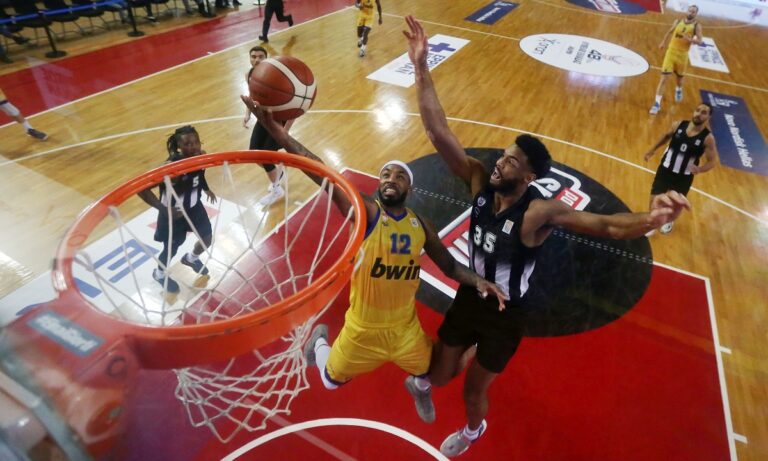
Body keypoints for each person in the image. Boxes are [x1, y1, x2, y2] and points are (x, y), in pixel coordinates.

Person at [403, 15, 692, 457]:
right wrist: (422, 67)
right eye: (504, 155)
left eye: (512, 161)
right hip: (471, 294)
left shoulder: (539, 212)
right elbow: (436, 130)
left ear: (530, 176)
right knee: (439, 375)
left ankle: (473, 432)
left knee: (473, 391)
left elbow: (609, 226)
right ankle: (433, 377)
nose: (500, 162)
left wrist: (652, 219)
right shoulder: (479, 179)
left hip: (507, 314)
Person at [240, 94, 508, 424]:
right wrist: (280, 137)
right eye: (385, 175)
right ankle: (319, 345)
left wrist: (479, 281)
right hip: (363, 328)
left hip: (404, 329)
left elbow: (450, 266)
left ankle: (418, 386)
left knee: (433, 371)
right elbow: (323, 172)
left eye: (399, 177)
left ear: (409, 189)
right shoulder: (366, 211)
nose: (391, 179)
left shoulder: (420, 224)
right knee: (330, 381)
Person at [138, 126, 217, 294]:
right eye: (187, 144)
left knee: (207, 239)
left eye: (196, 142)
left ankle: (191, 258)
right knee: (171, 250)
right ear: (179, 147)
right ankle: (159, 274)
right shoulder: (171, 168)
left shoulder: (201, 156)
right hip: (174, 214)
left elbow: (200, 174)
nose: (193, 146)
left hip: (195, 208)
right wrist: (164, 209)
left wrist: (206, 189)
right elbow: (141, 189)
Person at [644, 102, 717, 234]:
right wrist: (652, 149)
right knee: (654, 198)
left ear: (708, 117)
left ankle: (669, 220)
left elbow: (712, 161)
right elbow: (666, 136)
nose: (699, 114)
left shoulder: (707, 138)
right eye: (697, 110)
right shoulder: (678, 125)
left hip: (684, 177)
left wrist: (700, 169)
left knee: (674, 203)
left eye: (704, 113)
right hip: (665, 169)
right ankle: (652, 224)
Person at [243, 46, 295, 206]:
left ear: (267, 58)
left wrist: (285, 131)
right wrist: (247, 113)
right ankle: (278, 174)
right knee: (254, 153)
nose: (256, 59)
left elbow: (294, 105)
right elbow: (252, 95)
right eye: (253, 56)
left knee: (266, 157)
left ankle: (277, 189)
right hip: (263, 118)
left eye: (260, 56)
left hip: (280, 119)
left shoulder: (276, 76)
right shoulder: (249, 74)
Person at [649, 5, 703, 115]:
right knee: (663, 79)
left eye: (693, 12)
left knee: (679, 79)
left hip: (682, 55)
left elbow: (700, 41)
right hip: (671, 52)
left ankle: (678, 89)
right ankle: (657, 104)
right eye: (690, 11)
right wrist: (663, 42)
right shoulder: (678, 21)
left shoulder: (696, 26)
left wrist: (691, 40)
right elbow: (670, 31)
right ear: (687, 11)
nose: (690, 13)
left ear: (696, 14)